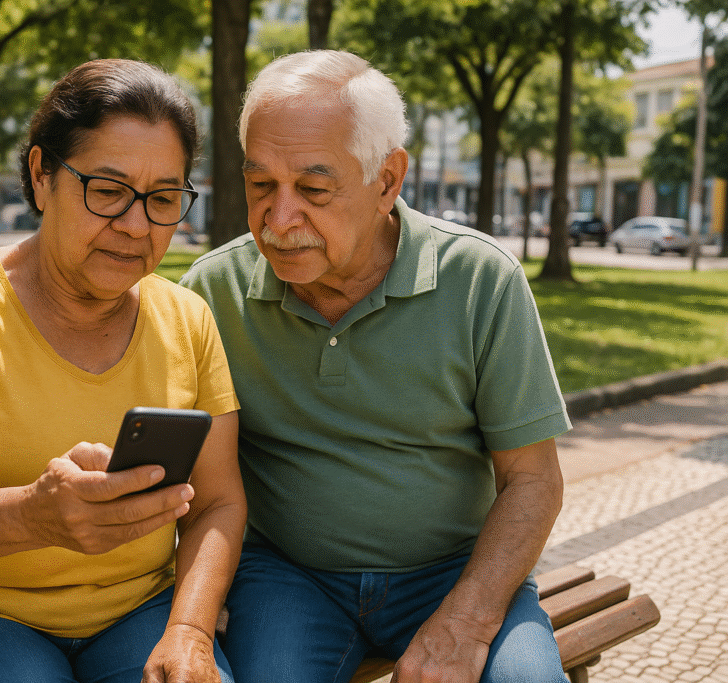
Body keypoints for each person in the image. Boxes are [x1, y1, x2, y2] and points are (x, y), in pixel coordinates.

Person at [181, 50, 570, 683]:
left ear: (387, 180)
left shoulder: (479, 279)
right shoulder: (212, 291)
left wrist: (467, 620)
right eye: (260, 186)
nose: (280, 221)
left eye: (313, 189)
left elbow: (533, 480)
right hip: (288, 579)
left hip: (452, 571)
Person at [0, 59, 246, 683]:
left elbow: (219, 502)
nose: (137, 224)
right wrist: (33, 515)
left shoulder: (188, 319)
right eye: (108, 190)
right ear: (42, 177)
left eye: (163, 199)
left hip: (138, 615)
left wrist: (190, 629)